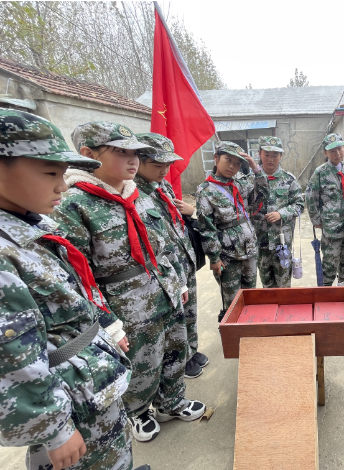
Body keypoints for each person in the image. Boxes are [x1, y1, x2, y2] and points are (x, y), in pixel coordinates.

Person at [50, 122, 206, 444]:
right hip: (126, 307)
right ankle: (139, 413)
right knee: (140, 366)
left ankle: (172, 401)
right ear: (88, 155)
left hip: (164, 292)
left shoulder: (138, 195)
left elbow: (162, 245)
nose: (133, 160)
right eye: (121, 151)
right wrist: (107, 323)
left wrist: (177, 283)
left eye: (135, 152)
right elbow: (77, 274)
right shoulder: (74, 205)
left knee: (174, 352)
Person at [0, 109, 134, 469]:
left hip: (88, 382)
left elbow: (74, 288)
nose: (62, 185)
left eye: (62, 173)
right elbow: (11, 352)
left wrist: (106, 328)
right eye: (49, 173)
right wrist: (54, 426)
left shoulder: (30, 229)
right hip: (65, 404)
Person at [134, 133, 208, 379]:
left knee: (191, 310)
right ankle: (182, 358)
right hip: (166, 267)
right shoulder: (134, 192)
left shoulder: (161, 186)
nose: (164, 170)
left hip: (182, 259)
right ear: (139, 160)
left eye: (168, 164)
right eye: (157, 165)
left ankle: (192, 349)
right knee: (176, 316)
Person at [196, 141, 267, 318]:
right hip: (228, 256)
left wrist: (255, 168)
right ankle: (235, 337)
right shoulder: (206, 190)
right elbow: (207, 227)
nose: (232, 166)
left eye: (237, 163)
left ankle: (250, 332)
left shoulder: (240, 184)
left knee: (251, 295)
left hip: (249, 250)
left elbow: (264, 193)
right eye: (228, 160)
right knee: (233, 301)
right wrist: (214, 258)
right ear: (216, 158)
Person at [250, 136, 304, 288]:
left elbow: (299, 204)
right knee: (267, 284)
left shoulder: (289, 180)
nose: (270, 159)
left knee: (283, 285)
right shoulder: (250, 180)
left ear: (281, 156)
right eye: (267, 155)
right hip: (260, 242)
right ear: (259, 154)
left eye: (275, 155)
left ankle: (285, 311)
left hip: (282, 244)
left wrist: (282, 214)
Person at [305, 133, 344, 286]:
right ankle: (327, 286)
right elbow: (310, 197)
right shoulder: (320, 172)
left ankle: (343, 280)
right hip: (331, 226)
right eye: (332, 151)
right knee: (331, 259)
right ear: (326, 153)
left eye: (339, 149)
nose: (337, 153)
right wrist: (316, 220)